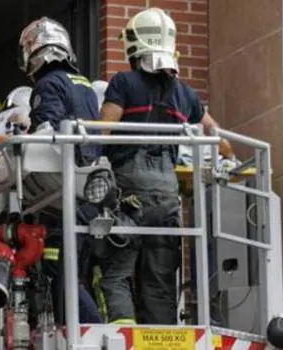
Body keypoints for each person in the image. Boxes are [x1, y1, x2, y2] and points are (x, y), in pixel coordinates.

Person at [97, 8, 234, 325]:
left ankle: (123, 339)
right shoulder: (186, 93)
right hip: (168, 194)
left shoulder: (124, 82)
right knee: (160, 281)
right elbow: (220, 140)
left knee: (116, 274)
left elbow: (101, 131)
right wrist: (229, 157)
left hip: (129, 191)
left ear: (133, 45)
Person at [17, 16, 103, 324]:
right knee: (73, 271)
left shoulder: (49, 83)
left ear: (32, 52)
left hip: (66, 191)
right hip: (89, 189)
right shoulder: (84, 85)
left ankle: (94, 331)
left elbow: (46, 129)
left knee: (59, 272)